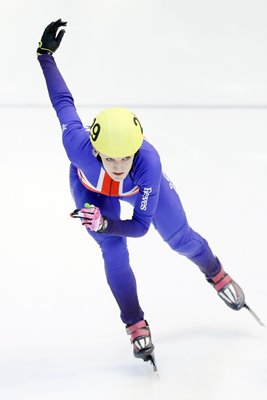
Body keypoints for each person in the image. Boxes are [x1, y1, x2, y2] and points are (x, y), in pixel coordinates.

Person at [37, 19, 245, 366]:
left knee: (180, 238)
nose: (119, 165)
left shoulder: (147, 164)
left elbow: (142, 227)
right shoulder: (77, 145)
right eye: (111, 158)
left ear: (137, 150)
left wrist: (108, 223)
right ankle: (134, 322)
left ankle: (215, 271)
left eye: (126, 157)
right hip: (91, 191)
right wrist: (45, 56)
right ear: (95, 148)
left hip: (139, 193)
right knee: (113, 251)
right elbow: (62, 101)